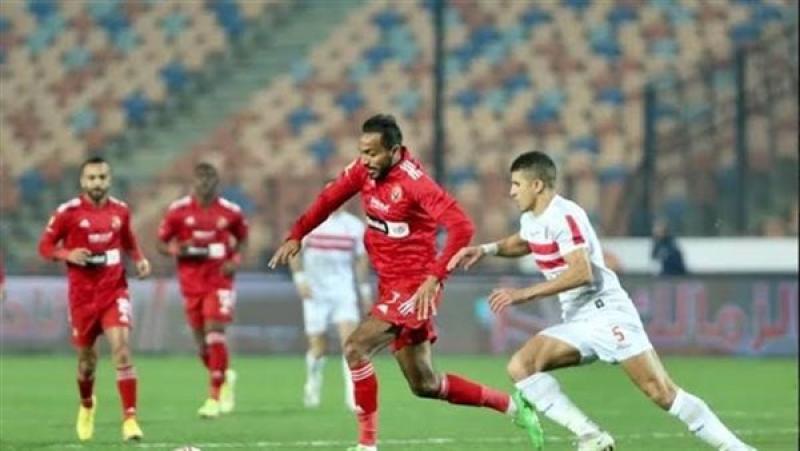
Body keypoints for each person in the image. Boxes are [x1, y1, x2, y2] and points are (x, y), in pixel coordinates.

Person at [269, 114, 543, 451]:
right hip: (390, 285)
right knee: (425, 384)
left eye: (372, 153)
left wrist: (435, 277)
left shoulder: (415, 183)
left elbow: (462, 226)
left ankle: (366, 446)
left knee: (355, 348)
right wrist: (297, 234)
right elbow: (328, 200)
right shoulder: (363, 171)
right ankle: (514, 407)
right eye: (362, 152)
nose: (365, 160)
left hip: (415, 287)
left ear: (395, 151)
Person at [448, 151, 755, 451]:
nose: (511, 192)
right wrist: (486, 250)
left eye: (517, 184)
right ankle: (591, 436)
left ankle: (736, 448)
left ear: (537, 185)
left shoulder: (565, 216)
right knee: (521, 366)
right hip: (578, 320)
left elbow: (582, 272)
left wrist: (523, 293)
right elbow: (524, 241)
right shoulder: (532, 218)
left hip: (607, 314)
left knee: (662, 392)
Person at [38, 156, 150, 442]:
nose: (97, 183)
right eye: (91, 178)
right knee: (87, 362)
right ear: (82, 181)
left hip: (114, 290)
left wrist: (139, 259)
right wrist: (68, 254)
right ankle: (87, 405)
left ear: (109, 180)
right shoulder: (68, 212)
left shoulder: (120, 211)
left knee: (121, 350)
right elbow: (45, 246)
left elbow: (128, 240)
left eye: (102, 177)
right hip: (82, 298)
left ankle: (130, 420)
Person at [156, 162, 248, 419]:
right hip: (191, 283)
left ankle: (213, 397)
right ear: (193, 182)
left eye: (209, 178)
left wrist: (235, 260)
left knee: (215, 331)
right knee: (202, 345)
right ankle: (224, 376)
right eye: (200, 178)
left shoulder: (230, 212)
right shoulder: (178, 211)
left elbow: (243, 239)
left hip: (219, 280)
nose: (204, 183)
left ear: (217, 182)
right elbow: (161, 243)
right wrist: (176, 249)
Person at [289, 205, 372, 410]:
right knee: (318, 348)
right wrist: (300, 279)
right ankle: (313, 382)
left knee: (350, 345)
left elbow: (362, 260)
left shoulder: (354, 226)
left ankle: (353, 396)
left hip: (343, 291)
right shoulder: (310, 220)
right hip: (315, 293)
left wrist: (364, 291)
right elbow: (293, 250)